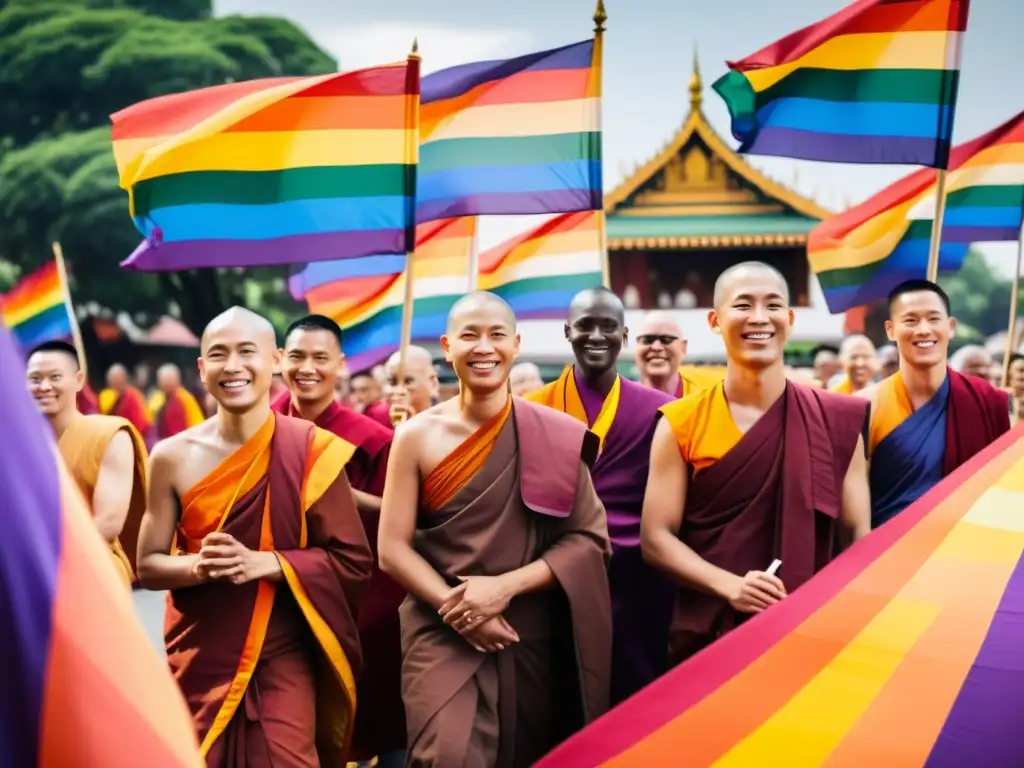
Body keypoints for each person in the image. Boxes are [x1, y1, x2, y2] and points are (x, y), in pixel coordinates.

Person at [378, 291, 612, 768]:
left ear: (516, 343)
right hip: (440, 628)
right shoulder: (416, 437)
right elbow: (391, 549)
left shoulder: (556, 433)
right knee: (447, 753)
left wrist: (504, 588)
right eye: (469, 335)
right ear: (447, 347)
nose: (483, 347)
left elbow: (589, 540)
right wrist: (461, 610)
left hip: (526, 630)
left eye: (496, 335)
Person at [136, 307, 374, 767]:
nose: (233, 366)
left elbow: (352, 561)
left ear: (276, 361)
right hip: (201, 657)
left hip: (282, 654)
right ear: (202, 369)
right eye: (218, 355)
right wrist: (199, 567)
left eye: (248, 351)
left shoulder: (310, 449)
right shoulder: (170, 456)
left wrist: (270, 563)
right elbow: (147, 565)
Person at [640, 262, 871, 666]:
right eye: (743, 305)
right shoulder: (682, 421)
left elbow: (858, 536)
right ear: (715, 320)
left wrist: (833, 608)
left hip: (813, 627)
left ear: (790, 319)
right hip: (711, 630)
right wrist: (730, 586)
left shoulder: (836, 420)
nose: (759, 318)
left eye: (773, 305)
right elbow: (656, 538)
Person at [526, 288, 676, 703]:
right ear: (566, 332)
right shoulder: (531, 409)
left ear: (624, 336)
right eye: (584, 326)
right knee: (560, 700)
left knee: (633, 695)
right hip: (554, 577)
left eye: (607, 327)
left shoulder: (662, 411)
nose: (596, 336)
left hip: (636, 580)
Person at [271, 314, 406, 767]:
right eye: (297, 356)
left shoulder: (373, 439)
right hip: (278, 596)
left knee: (374, 719)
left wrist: (341, 494)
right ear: (279, 360)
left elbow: (398, 515)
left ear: (341, 365)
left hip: (360, 601)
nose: (307, 368)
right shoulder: (256, 429)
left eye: (320, 358)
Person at [859, 280, 1011, 528]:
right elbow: (854, 515)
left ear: (950, 327)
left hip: (966, 553)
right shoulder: (865, 406)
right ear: (890, 329)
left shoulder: (987, 401)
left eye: (933, 318)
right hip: (887, 557)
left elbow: (1002, 495)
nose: (923, 330)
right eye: (910, 320)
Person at [26, 340, 149, 585]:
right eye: (35, 378)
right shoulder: (22, 443)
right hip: (30, 578)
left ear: (79, 380)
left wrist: (48, 563)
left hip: (92, 572)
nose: (45, 386)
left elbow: (108, 523)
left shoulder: (107, 435)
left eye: (55, 377)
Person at [634, 311, 707, 398]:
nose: (657, 347)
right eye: (647, 340)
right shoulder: (620, 400)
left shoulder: (703, 401)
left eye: (667, 340)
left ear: (683, 348)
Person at [150, 363, 206, 441]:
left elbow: (177, 435)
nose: (162, 385)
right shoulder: (179, 395)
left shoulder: (178, 401)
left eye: (165, 382)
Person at [385, 345, 438, 425]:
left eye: (408, 382)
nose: (399, 391)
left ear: (432, 384)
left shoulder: (448, 426)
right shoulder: (377, 424)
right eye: (393, 382)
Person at [99, 362, 151, 435]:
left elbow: (142, 423)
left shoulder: (133, 396)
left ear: (123, 377)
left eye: (113, 378)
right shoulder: (118, 396)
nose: (109, 381)